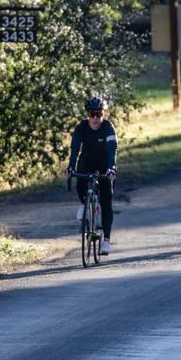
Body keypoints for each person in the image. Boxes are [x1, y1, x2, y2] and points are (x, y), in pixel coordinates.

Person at [66, 95, 118, 254]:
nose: (95, 118)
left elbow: (112, 150)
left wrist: (112, 168)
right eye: (92, 114)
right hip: (87, 161)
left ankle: (106, 240)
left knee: (107, 200)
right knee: (80, 175)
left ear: (103, 114)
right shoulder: (81, 127)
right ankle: (84, 204)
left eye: (99, 114)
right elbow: (75, 149)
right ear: (87, 114)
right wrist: (70, 167)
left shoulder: (108, 127)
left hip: (104, 164)